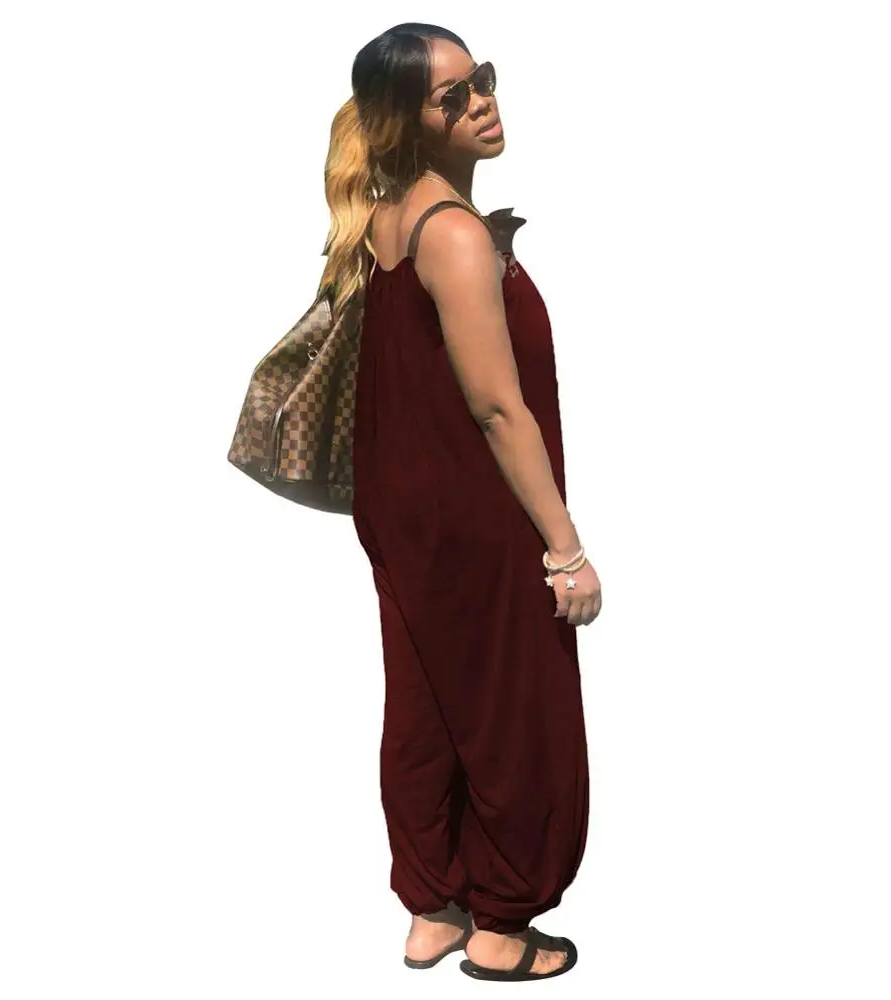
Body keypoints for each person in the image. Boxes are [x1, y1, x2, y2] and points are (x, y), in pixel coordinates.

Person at [318, 23, 602, 982]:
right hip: (475, 515)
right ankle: (501, 924)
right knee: (518, 711)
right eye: (454, 96)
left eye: (481, 77)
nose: (483, 100)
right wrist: (565, 548)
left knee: (430, 709)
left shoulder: (386, 217)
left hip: (405, 510)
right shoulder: (450, 233)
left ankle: (433, 909)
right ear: (411, 120)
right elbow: (496, 407)